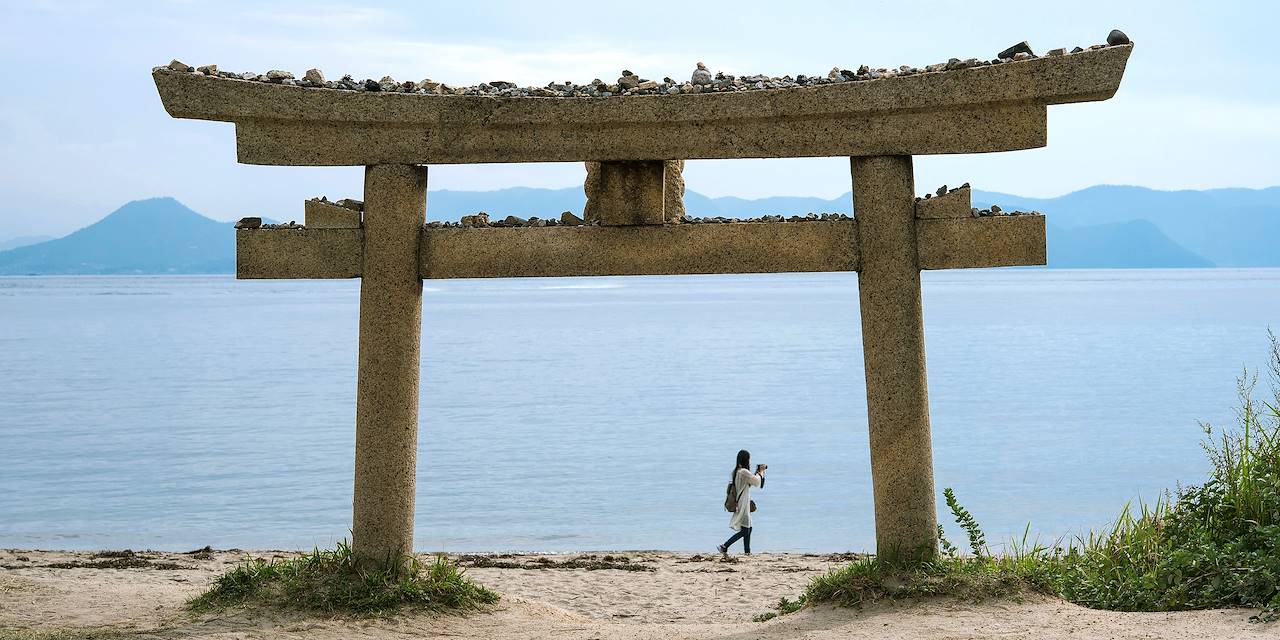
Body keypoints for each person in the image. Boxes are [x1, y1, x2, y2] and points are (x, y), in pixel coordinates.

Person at [718, 449, 766, 555]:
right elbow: (757, 482)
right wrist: (761, 472)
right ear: (746, 460)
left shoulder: (736, 472)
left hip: (741, 503)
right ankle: (724, 546)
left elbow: (749, 483)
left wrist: (756, 473)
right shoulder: (743, 472)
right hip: (743, 504)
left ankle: (747, 552)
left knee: (748, 528)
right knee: (746, 530)